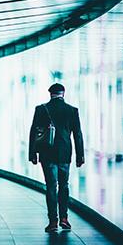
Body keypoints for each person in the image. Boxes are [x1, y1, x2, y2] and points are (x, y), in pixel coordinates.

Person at [28, 83, 84, 232]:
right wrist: (80, 156)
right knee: (64, 185)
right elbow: (77, 134)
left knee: (51, 186)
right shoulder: (72, 111)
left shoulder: (41, 109)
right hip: (65, 153)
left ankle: (53, 221)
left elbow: (34, 132)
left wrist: (32, 153)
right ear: (63, 94)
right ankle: (64, 218)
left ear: (50, 94)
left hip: (47, 153)